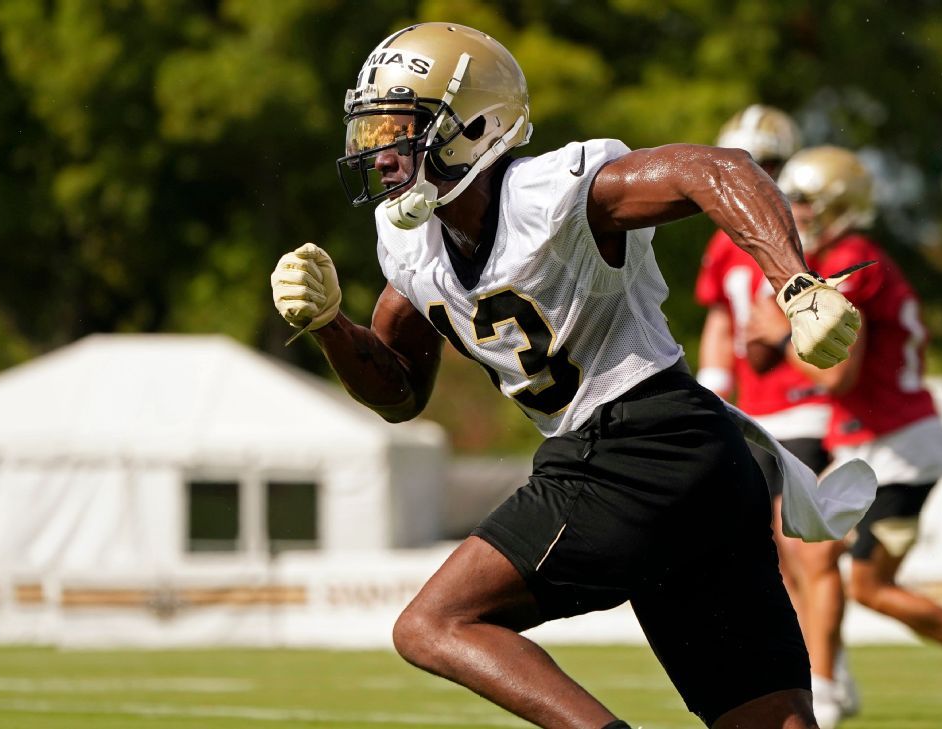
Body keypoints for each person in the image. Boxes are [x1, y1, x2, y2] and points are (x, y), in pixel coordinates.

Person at [269, 22, 874, 729]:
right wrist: (330, 326)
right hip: (701, 460)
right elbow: (402, 392)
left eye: (400, 131)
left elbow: (718, 168)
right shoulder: (414, 244)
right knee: (770, 720)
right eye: (373, 136)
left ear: (473, 125)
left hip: (626, 447)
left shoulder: (553, 194)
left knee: (433, 623)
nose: (383, 156)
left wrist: (794, 284)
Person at [748, 146, 942, 729]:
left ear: (839, 206)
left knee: (868, 585)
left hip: (900, 445)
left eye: (805, 201)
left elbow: (838, 374)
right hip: (868, 439)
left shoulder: (852, 262)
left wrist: (782, 339)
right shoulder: (848, 257)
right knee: (814, 555)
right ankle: (831, 682)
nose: (795, 212)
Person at [695, 108, 860, 729]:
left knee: (811, 551)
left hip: (807, 406)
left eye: (758, 164)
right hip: (752, 414)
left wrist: (786, 330)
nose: (743, 176)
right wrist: (714, 388)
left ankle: (827, 675)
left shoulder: (805, 235)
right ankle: (816, 671)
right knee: (778, 558)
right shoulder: (721, 239)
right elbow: (720, 320)